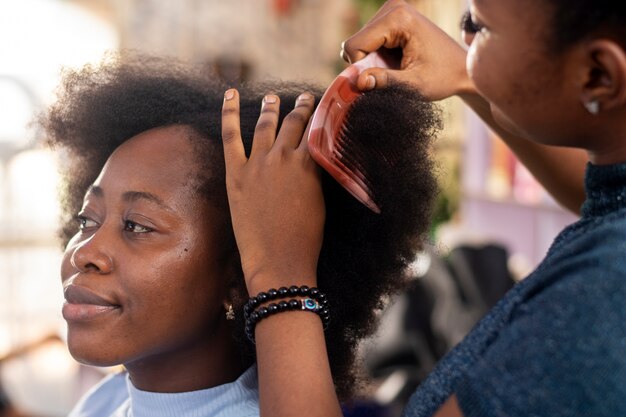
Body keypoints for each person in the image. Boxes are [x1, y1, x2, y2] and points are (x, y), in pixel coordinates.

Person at [220, 0, 626, 416]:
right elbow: (605, 199)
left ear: (598, 75)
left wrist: (279, 272)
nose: (465, 39)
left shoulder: (599, 304)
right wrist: (469, 74)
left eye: (480, 27)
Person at [40, 54, 441, 416]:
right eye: (87, 220)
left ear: (238, 277)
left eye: (137, 226)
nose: (85, 252)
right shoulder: (104, 402)